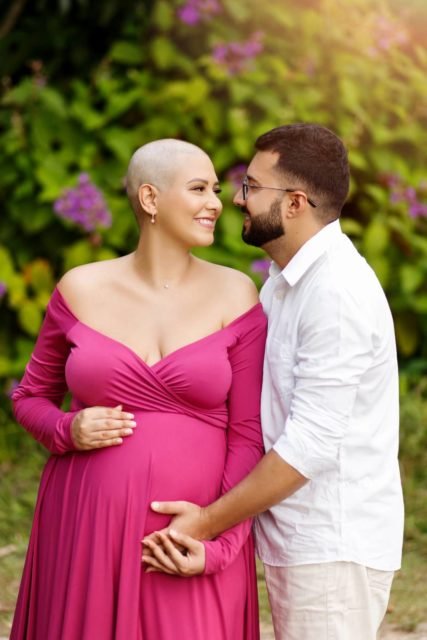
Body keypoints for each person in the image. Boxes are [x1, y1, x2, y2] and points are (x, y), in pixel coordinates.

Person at [143, 124, 405, 640]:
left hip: (332, 544)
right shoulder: (284, 285)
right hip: (298, 540)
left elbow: (308, 448)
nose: (237, 199)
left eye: (252, 187)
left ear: (295, 203)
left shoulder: (335, 292)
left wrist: (205, 522)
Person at [10, 139, 267, 640]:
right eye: (199, 188)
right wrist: (66, 428)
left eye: (216, 189)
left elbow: (249, 433)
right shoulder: (80, 288)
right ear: (150, 199)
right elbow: (29, 399)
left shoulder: (237, 293)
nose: (217, 202)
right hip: (86, 524)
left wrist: (217, 538)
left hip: (187, 532)